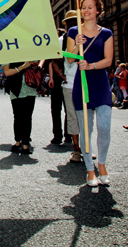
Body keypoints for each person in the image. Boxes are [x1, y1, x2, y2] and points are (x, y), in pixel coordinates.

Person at [67, 0, 114, 187]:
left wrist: (91, 65)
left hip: (100, 84)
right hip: (82, 84)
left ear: (97, 10)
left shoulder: (106, 33)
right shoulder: (73, 31)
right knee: (86, 130)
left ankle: (101, 164)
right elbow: (70, 60)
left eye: (90, 7)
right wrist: (77, 44)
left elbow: (108, 60)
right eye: (83, 8)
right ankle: (89, 170)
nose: (86, 11)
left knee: (104, 127)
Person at [57, 10, 83, 162]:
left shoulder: (88, 35)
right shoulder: (62, 40)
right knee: (72, 117)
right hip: (70, 83)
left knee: (86, 118)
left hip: (86, 82)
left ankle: (87, 147)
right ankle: (76, 149)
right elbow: (60, 59)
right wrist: (61, 74)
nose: (73, 24)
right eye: (70, 22)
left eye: (75, 21)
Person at [3, 61, 41, 154]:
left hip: (30, 86)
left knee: (27, 117)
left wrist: (38, 66)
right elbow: (7, 72)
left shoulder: (29, 50)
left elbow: (39, 58)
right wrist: (22, 67)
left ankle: (25, 145)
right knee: (18, 116)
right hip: (16, 88)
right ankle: (17, 142)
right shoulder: (7, 53)